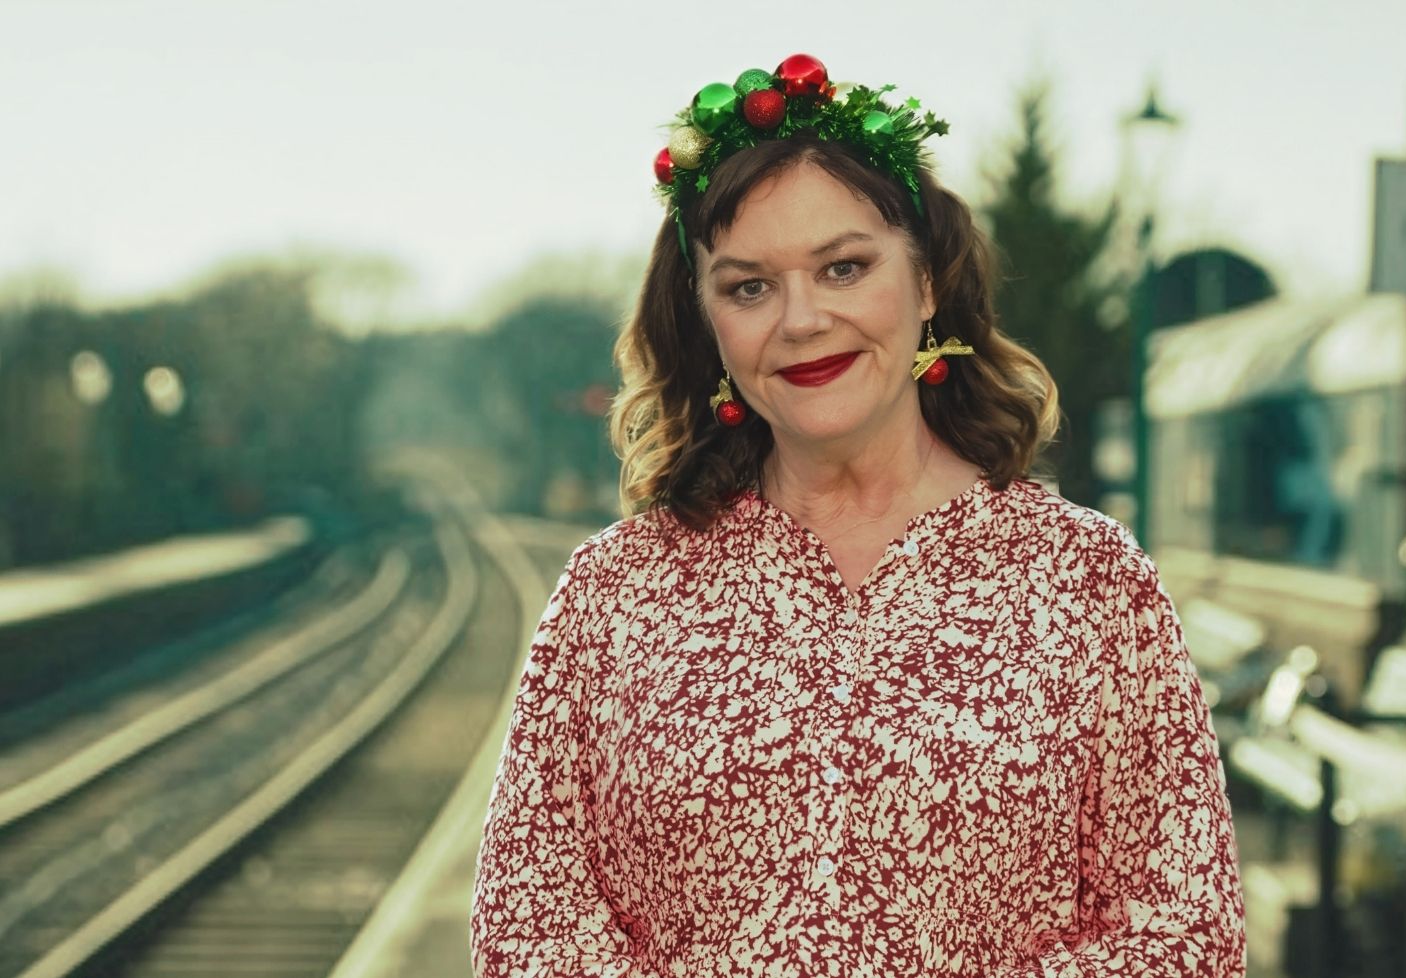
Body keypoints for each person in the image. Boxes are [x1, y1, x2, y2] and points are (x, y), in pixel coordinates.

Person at [470, 54, 1245, 978]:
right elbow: (529, 926)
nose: (801, 319)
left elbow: (1184, 931)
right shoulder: (616, 592)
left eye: (844, 268)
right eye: (749, 286)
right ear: (707, 320)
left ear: (926, 283)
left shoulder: (1087, 581)